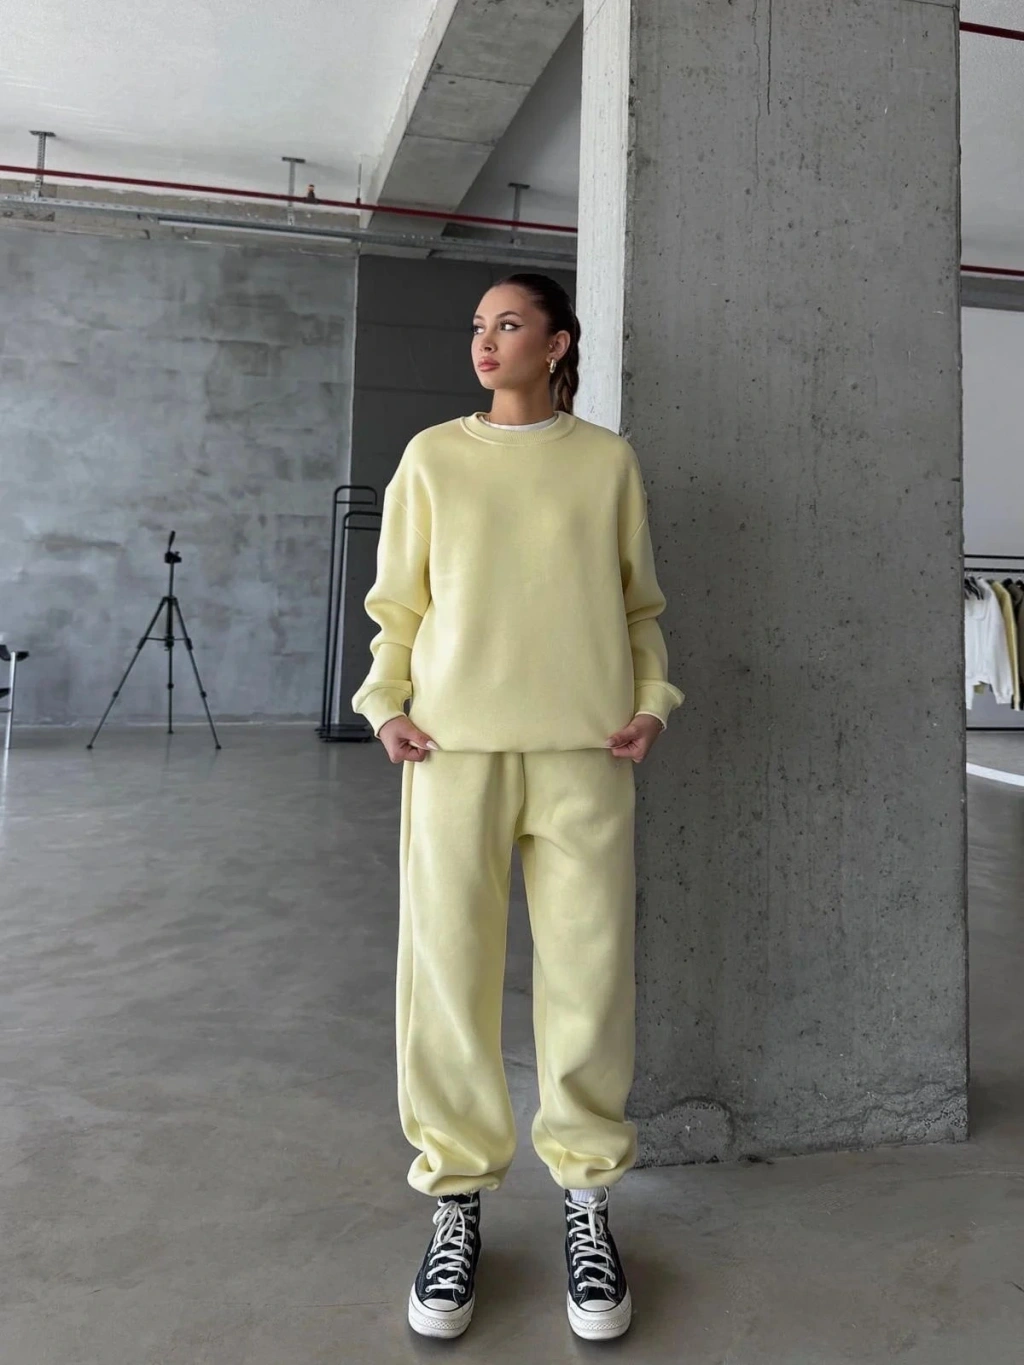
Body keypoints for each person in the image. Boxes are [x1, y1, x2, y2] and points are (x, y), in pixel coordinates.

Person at [351, 272, 684, 1342]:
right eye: (478, 326)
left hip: (586, 752)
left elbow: (637, 604)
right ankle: (456, 1202)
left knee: (590, 978)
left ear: (557, 342)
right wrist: (384, 702)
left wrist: (653, 699)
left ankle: (587, 1201)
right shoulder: (432, 458)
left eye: (509, 324)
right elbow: (399, 604)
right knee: (446, 974)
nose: (486, 342)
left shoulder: (606, 462)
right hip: (453, 751)